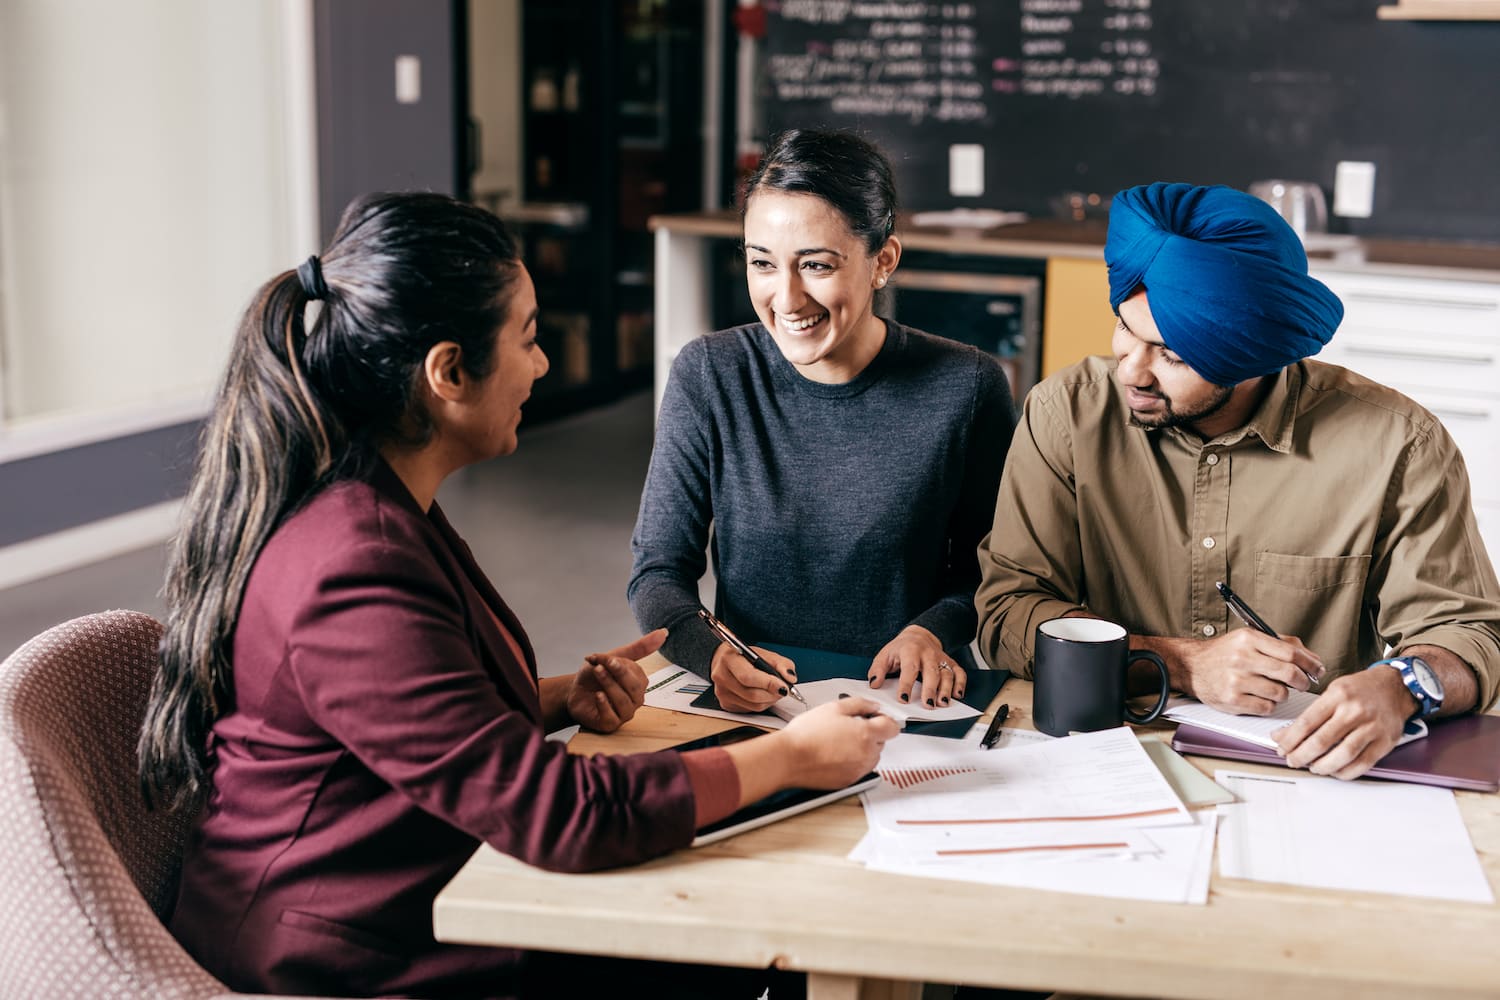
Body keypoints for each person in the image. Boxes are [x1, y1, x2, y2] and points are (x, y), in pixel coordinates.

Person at [137, 192, 899, 999]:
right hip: (345, 960)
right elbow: (560, 814)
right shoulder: (351, 565)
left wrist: (560, 698)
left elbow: (400, 721)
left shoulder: (378, 504)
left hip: (412, 898)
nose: (541, 364)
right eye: (529, 340)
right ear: (448, 373)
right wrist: (789, 756)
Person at [976, 181, 1500, 780]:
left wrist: (1403, 685)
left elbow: (1468, 632)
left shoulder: (1396, 444)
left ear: (1252, 356)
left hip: (1309, 770)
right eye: (1126, 329)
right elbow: (1007, 613)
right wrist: (1180, 663)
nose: (1133, 371)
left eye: (1172, 356)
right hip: (1101, 753)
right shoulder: (1066, 413)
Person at [628, 129, 1016, 715]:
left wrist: (932, 631)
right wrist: (712, 653)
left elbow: (993, 569)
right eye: (762, 263)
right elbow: (658, 571)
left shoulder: (967, 386)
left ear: (882, 260)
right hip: (763, 705)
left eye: (815, 265)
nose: (786, 298)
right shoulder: (710, 374)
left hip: (911, 703)